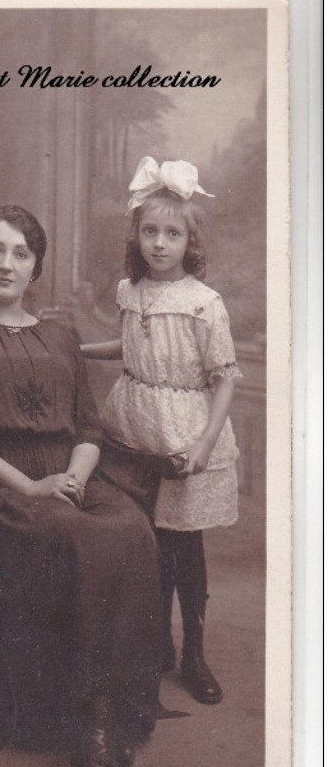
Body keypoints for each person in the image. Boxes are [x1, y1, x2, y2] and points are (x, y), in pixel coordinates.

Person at [0, 204, 163, 767]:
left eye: (21, 253)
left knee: (130, 529)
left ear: (36, 268)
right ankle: (87, 726)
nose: (7, 263)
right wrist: (26, 485)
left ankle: (106, 709)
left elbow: (86, 424)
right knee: (81, 538)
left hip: (68, 477)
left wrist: (76, 478)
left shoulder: (60, 335)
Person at [82, 156, 241, 705]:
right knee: (144, 543)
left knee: (183, 547)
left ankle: (193, 651)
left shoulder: (203, 303)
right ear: (137, 235)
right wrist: (73, 350)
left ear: (189, 241)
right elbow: (128, 349)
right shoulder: (133, 291)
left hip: (182, 435)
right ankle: (156, 643)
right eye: (150, 231)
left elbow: (223, 379)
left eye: (172, 234)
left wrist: (202, 444)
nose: (159, 243)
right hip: (133, 428)